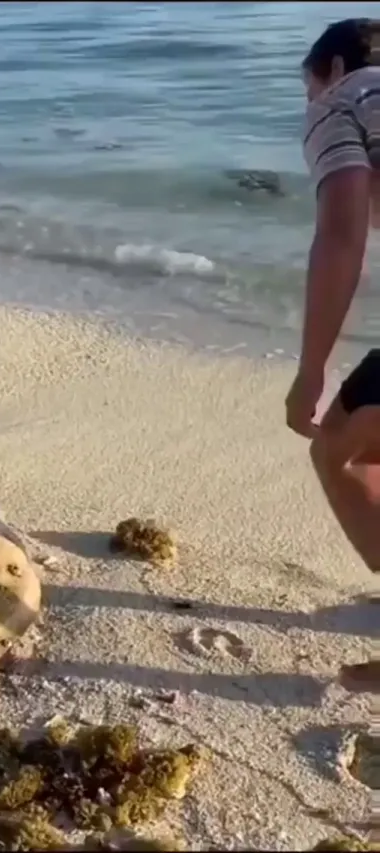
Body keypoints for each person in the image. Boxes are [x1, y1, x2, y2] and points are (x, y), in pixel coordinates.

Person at [285, 18, 380, 692]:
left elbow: (342, 232)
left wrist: (311, 368)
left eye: (305, 86)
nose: (307, 102)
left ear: (333, 66)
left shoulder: (344, 98)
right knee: (350, 442)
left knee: (337, 446)